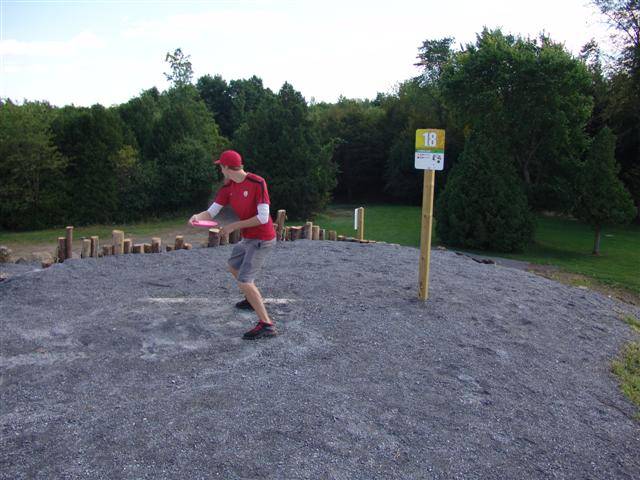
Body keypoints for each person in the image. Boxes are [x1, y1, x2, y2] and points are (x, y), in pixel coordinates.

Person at [189, 150, 277, 340]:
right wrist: (197, 217)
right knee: (233, 265)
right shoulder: (228, 188)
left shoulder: (257, 182)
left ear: (227, 168)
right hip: (248, 238)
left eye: (221, 167)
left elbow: (263, 218)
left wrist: (233, 226)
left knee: (245, 280)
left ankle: (267, 325)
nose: (220, 170)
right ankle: (250, 299)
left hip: (262, 238)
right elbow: (211, 212)